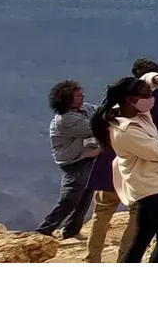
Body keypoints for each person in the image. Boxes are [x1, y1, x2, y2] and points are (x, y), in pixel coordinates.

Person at [103, 76, 158, 263]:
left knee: (142, 238)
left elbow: (143, 82)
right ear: (130, 100)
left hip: (147, 184)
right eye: (146, 95)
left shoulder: (134, 114)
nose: (151, 97)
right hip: (154, 185)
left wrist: (155, 79)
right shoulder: (126, 130)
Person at [38, 80, 101, 240]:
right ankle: (44, 230)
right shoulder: (65, 120)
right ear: (68, 100)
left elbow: (98, 112)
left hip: (87, 158)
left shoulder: (82, 109)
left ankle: (72, 230)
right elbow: (95, 127)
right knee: (70, 199)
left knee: (85, 197)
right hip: (75, 162)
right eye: (78, 95)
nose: (83, 97)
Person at [85, 102, 130, 262]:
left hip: (105, 170)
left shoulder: (103, 117)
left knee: (101, 215)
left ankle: (92, 257)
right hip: (129, 173)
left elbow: (90, 143)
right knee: (137, 215)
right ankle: (126, 258)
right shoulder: (131, 119)